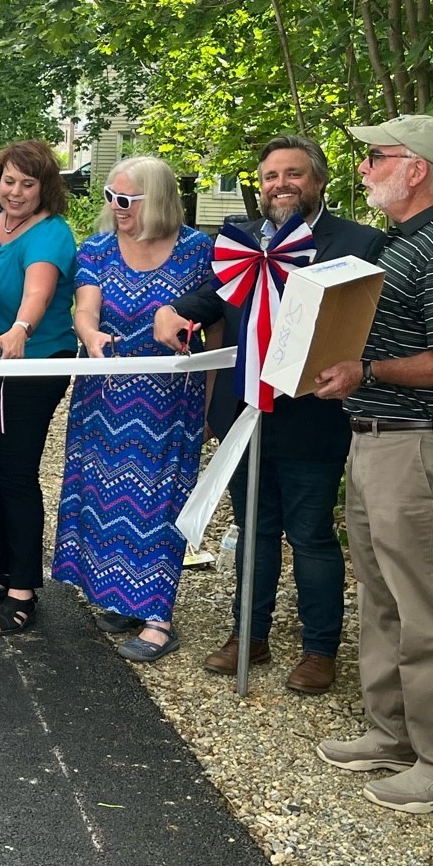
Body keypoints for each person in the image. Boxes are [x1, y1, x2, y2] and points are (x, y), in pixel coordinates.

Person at [151, 134, 386, 693]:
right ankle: (249, 634)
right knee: (253, 528)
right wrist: (173, 310)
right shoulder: (239, 238)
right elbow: (213, 296)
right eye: (270, 177)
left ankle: (319, 648)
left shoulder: (359, 243)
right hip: (244, 409)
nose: (280, 185)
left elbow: (370, 323)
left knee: (310, 534)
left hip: (313, 412)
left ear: (319, 181)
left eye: (293, 174)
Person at [314, 115, 433, 814]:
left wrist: (368, 371)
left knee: (431, 609)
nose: (363, 169)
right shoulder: (409, 240)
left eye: (376, 158)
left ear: (415, 168)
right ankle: (392, 734)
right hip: (379, 439)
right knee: (385, 598)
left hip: (419, 445)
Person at [52, 156, 215, 662]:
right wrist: (90, 334)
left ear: (158, 199)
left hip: (171, 403)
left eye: (126, 199)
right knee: (105, 499)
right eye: (111, 197)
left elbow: (217, 322)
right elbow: (85, 308)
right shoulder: (97, 248)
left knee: (159, 503)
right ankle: (122, 596)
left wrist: (214, 398)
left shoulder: (198, 250)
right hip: (104, 397)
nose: (116, 207)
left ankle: (159, 619)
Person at [0, 141, 80, 635]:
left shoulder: (52, 233)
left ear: (44, 187)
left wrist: (21, 328)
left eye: (27, 184)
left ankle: (24, 592)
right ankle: (5, 571)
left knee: (15, 472)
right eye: (9, 180)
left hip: (34, 362)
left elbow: (38, 290)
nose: (15, 192)